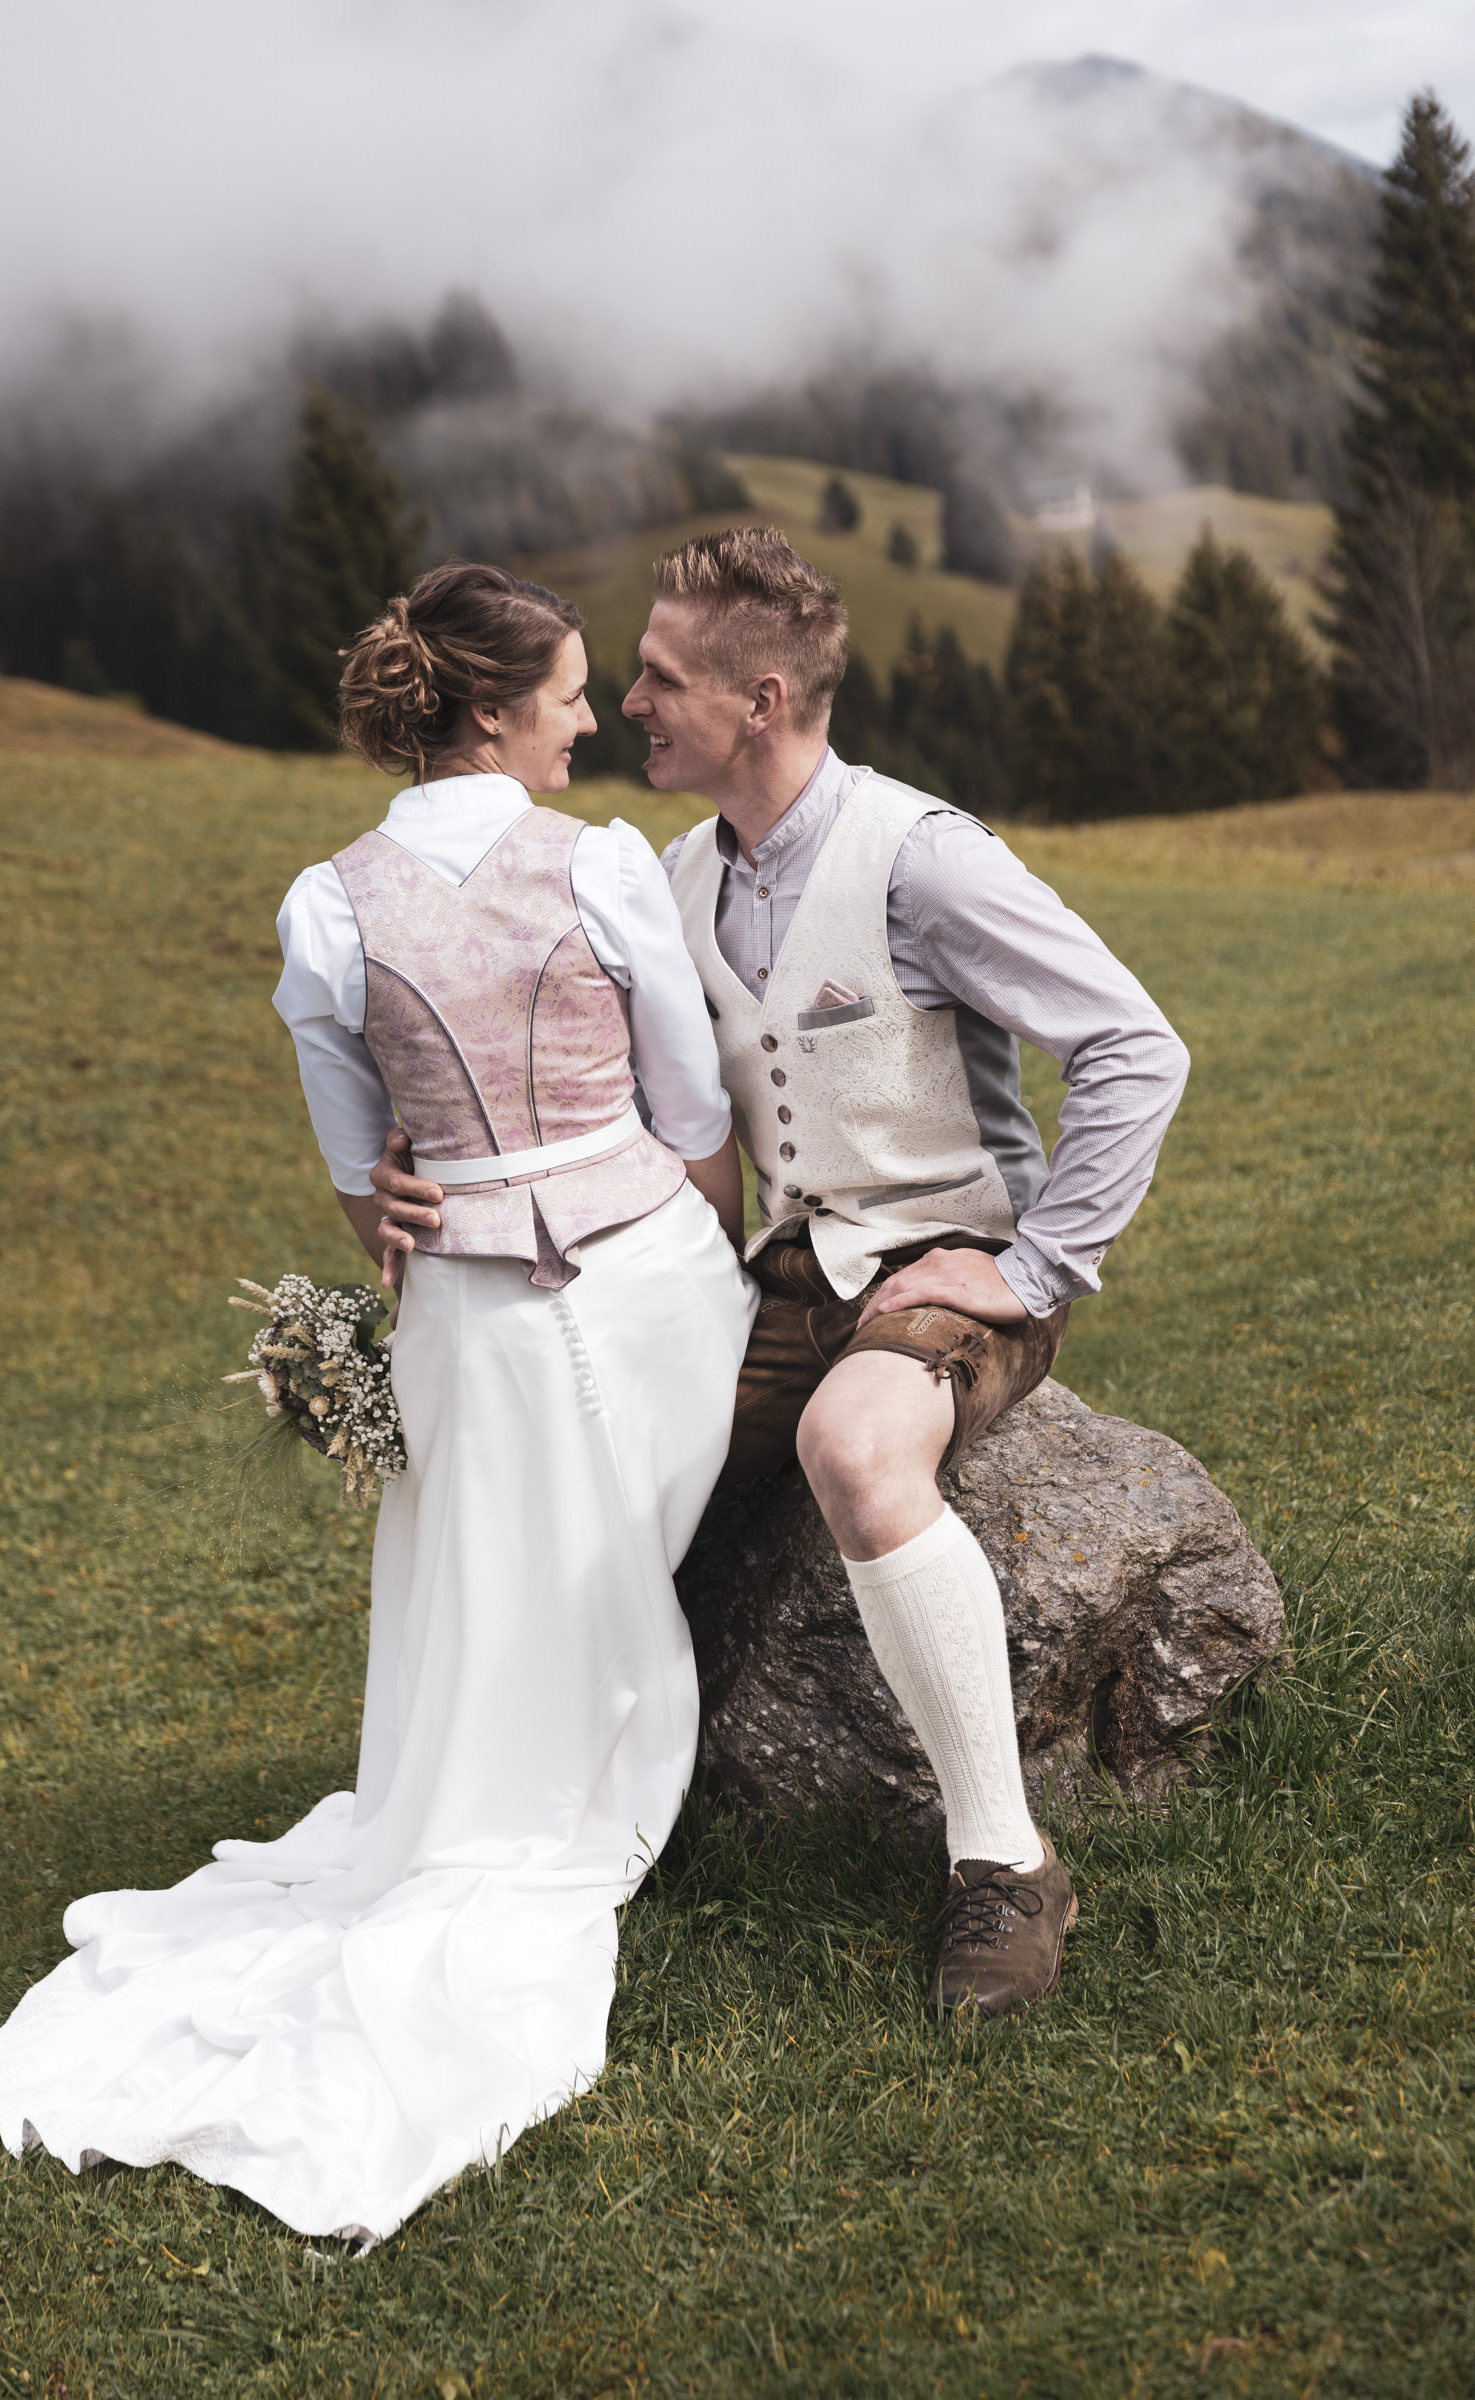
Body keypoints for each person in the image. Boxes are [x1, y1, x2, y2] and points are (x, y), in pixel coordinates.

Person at [0, 562, 757, 2244]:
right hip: (637, 1279)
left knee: (485, 1546)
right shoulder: (604, 866)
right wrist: (704, 1247)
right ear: (497, 709)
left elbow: (360, 1184)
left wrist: (439, 1213)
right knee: (630, 1471)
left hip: (460, 1312)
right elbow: (693, 1109)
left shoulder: (327, 905)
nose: (584, 721)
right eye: (568, 694)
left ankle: (490, 1777)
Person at [373, 528, 1190, 2018]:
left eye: (659, 677)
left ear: (758, 701)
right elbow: (604, 1100)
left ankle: (1005, 1864)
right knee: (595, 1470)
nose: (626, 704)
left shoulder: (922, 857)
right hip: (772, 1280)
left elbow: (1137, 1045)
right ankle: (546, 1817)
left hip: (946, 1265)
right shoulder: (673, 877)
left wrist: (1039, 1267)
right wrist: (418, 1161)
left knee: (855, 1449)